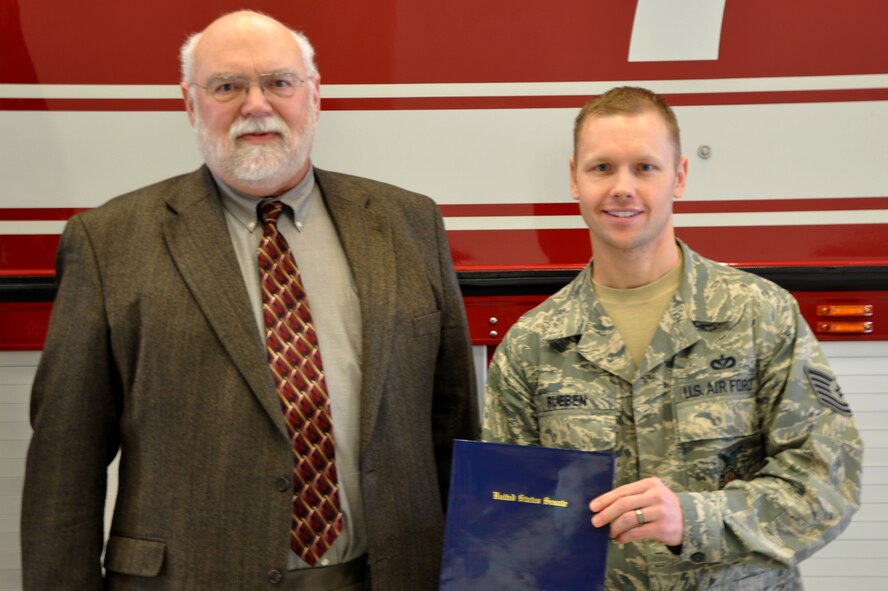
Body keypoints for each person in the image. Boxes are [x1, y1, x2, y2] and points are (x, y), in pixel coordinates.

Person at [21, 10, 477, 591]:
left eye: (279, 83)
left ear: (314, 98)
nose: (256, 105)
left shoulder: (409, 223)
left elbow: (454, 427)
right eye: (227, 86)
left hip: (388, 574)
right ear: (190, 104)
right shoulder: (110, 243)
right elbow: (65, 464)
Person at [482, 86, 862, 590]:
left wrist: (695, 518)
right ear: (574, 179)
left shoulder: (759, 315)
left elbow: (826, 483)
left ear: (678, 176)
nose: (622, 187)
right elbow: (508, 524)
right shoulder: (533, 345)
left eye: (645, 167)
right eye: (602, 168)